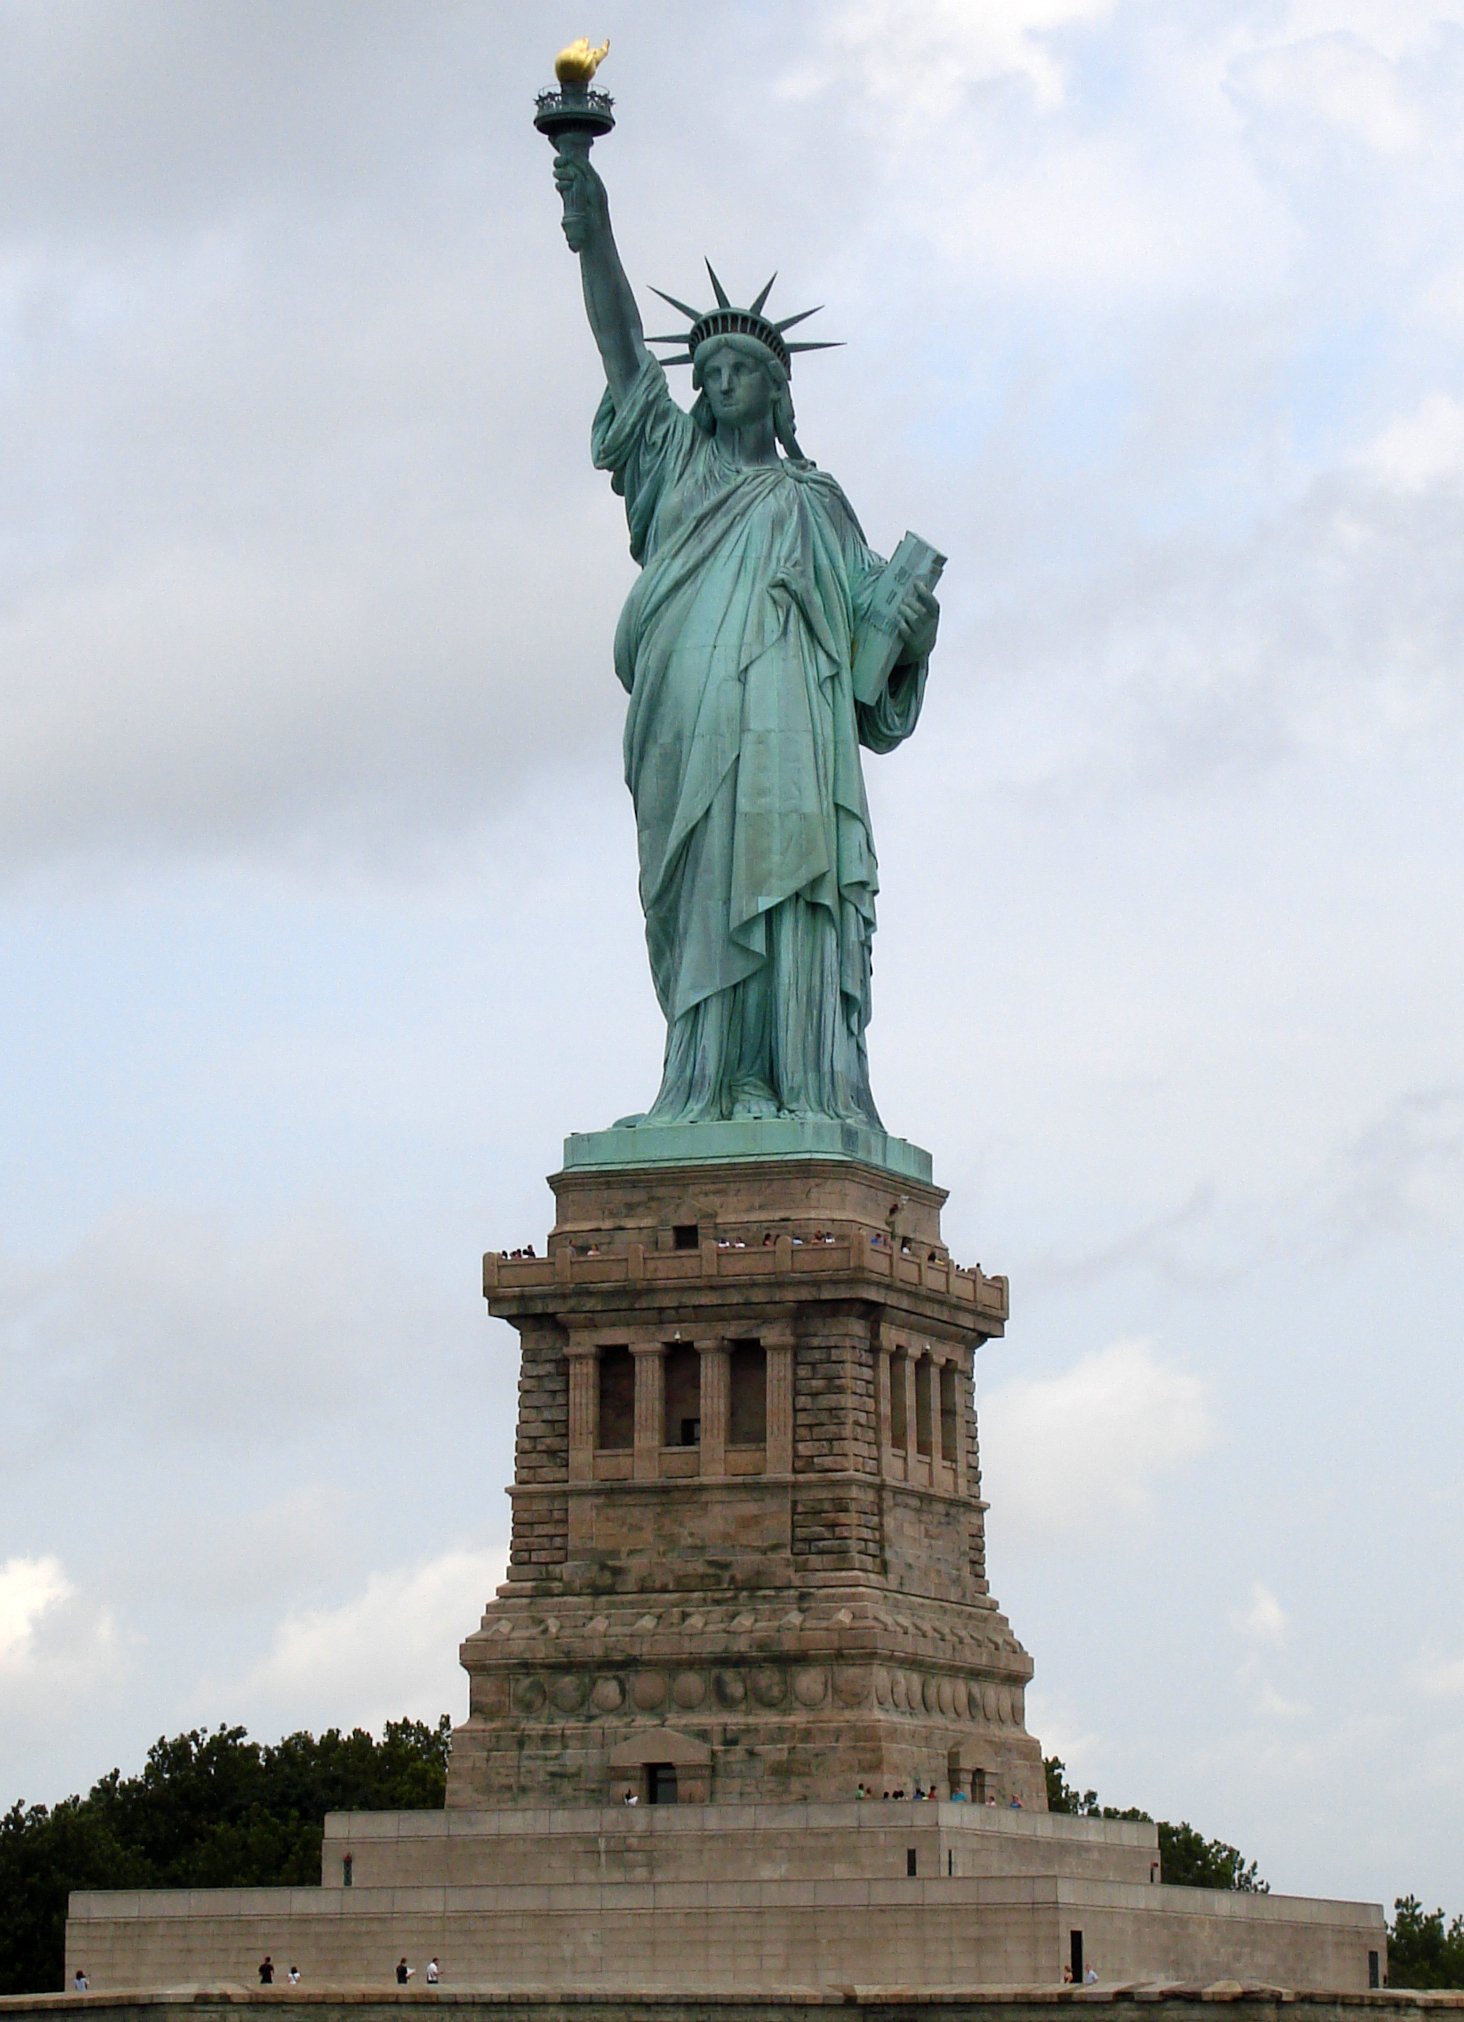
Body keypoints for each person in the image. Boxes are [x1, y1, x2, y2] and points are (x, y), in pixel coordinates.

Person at [551, 149, 939, 1130]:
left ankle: (786, 1079)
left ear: (776, 391)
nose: (717, 384)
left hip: (791, 740)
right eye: (708, 372)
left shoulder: (815, 504)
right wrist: (587, 207)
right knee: (698, 885)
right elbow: (618, 342)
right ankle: (707, 1081)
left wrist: (911, 625)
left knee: (784, 883)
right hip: (687, 711)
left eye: (737, 373)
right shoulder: (673, 463)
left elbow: (867, 683)